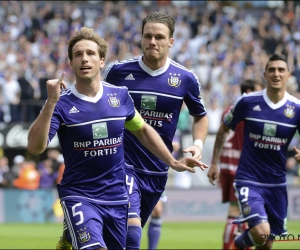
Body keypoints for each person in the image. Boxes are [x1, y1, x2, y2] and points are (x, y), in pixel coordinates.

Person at [27, 26, 206, 250]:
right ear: (71, 63)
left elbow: (142, 130)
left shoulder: (119, 96)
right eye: (78, 55)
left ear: (102, 61)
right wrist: (50, 103)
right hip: (79, 195)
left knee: (131, 242)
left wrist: (172, 161)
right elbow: (35, 147)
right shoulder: (62, 103)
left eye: (91, 54)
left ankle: (71, 238)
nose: (84, 59)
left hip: (116, 197)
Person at [104, 12, 208, 249]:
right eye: (148, 36)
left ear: (171, 41)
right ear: (141, 38)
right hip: (122, 164)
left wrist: (198, 145)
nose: (153, 41)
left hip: (157, 170)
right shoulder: (118, 72)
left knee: (122, 237)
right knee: (131, 235)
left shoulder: (185, 78)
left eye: (159, 37)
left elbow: (200, 116)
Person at [207, 54, 300, 250]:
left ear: (288, 75)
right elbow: (224, 129)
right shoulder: (248, 102)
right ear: (265, 74)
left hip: (277, 183)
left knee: (266, 243)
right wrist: (214, 162)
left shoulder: (296, 108)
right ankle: (240, 242)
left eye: (281, 70)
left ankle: (244, 240)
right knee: (262, 232)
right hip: (249, 179)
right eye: (272, 70)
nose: (276, 74)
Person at [207, 79, 264, 250]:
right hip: (241, 168)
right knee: (238, 212)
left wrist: (215, 162)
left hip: (227, 165)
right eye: (257, 91)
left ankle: (238, 245)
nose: (260, 96)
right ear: (248, 91)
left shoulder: (228, 110)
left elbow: (223, 134)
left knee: (239, 211)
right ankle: (231, 246)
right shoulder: (250, 110)